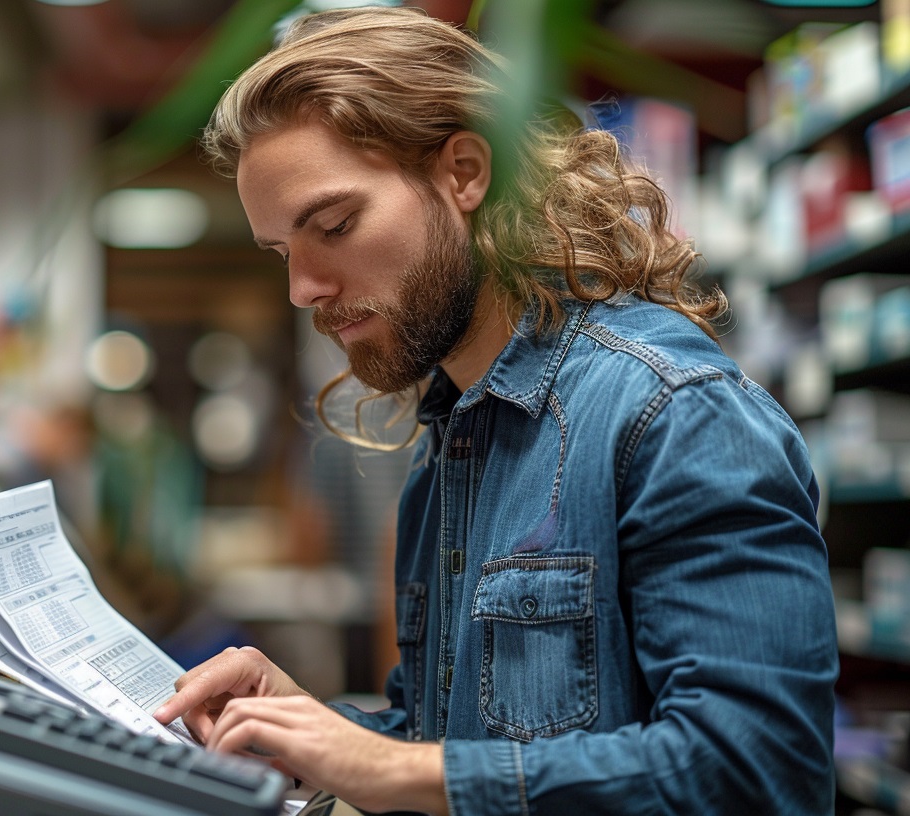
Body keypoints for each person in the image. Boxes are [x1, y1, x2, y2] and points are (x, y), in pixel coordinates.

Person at [152, 7, 837, 814]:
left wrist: (383, 769)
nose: (303, 288)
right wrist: (309, 731)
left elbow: (757, 772)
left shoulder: (675, 415)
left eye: (333, 226)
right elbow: (463, 746)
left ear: (466, 173)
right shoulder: (454, 439)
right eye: (282, 253)